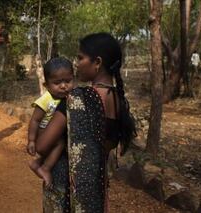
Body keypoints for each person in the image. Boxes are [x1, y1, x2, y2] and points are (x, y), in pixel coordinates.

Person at [36, 33, 136, 212]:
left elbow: (42, 146)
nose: (76, 63)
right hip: (94, 190)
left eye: (80, 58)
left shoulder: (79, 99)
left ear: (97, 62)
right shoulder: (117, 99)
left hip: (65, 187)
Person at [27, 57, 74, 187]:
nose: (64, 86)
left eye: (68, 81)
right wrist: (31, 140)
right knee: (60, 142)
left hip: (51, 131)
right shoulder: (45, 100)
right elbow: (35, 120)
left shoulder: (70, 98)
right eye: (57, 83)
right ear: (46, 85)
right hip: (43, 132)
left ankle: (37, 163)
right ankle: (45, 168)